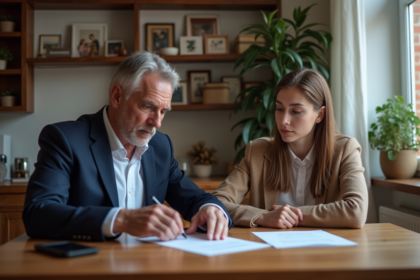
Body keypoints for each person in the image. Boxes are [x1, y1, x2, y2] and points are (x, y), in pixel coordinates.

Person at [23, 51, 231, 242]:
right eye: (148, 107)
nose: (157, 123)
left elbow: (193, 197)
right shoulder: (65, 140)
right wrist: (122, 219)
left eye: (163, 111)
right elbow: (38, 213)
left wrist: (210, 208)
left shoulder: (160, 146)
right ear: (117, 96)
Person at [213, 68, 368, 229]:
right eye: (280, 109)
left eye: (296, 111)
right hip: (269, 251)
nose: (284, 120)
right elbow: (217, 203)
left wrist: (290, 216)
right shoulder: (258, 152)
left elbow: (356, 211)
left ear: (320, 115)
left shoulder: (345, 150)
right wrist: (263, 216)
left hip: (326, 251)